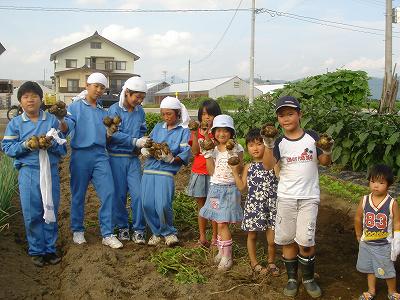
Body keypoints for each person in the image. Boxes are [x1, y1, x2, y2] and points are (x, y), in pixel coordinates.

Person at [261, 96, 333, 298]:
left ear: (299, 115)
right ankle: (292, 279)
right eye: (281, 115)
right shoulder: (278, 142)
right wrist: (268, 143)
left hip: (309, 197)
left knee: (306, 242)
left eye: (290, 114)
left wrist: (326, 149)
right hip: (285, 197)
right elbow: (267, 165)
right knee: (286, 241)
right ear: (277, 119)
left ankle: (308, 279)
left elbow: (325, 162)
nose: (286, 119)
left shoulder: (312, 137)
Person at [2, 81, 67, 267]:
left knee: (50, 209)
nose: (30, 100)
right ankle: (36, 250)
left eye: (34, 96)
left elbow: (63, 148)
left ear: (41, 99)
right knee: (32, 212)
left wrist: (51, 143)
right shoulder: (16, 123)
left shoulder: (51, 121)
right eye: (25, 97)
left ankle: (50, 249)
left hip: (49, 172)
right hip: (28, 172)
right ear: (20, 102)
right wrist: (26, 145)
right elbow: (6, 147)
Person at [58, 72, 123, 249]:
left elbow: (106, 137)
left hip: (101, 155)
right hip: (81, 155)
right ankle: (78, 230)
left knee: (109, 192)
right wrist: (61, 118)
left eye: (102, 87)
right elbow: (66, 128)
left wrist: (109, 133)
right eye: (96, 86)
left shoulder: (104, 112)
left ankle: (107, 233)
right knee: (78, 194)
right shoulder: (75, 107)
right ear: (87, 85)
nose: (99, 90)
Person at [140, 96, 191, 246]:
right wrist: (145, 149)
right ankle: (156, 232)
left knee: (163, 204)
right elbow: (150, 142)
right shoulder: (157, 127)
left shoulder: (183, 131)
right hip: (149, 170)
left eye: (169, 114)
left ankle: (168, 232)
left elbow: (184, 153)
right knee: (147, 204)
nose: (166, 117)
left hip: (166, 172)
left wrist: (170, 159)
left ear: (178, 114)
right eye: (163, 114)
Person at [231, 128, 280, 277]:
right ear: (247, 148)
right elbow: (242, 187)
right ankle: (254, 263)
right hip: (254, 206)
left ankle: (271, 261)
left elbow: (280, 177)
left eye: (259, 144)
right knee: (252, 235)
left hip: (272, 205)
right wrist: (234, 171)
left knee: (272, 239)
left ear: (266, 144)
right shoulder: (248, 167)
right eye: (251, 145)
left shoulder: (273, 164)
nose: (255, 148)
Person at [199, 114, 244, 272]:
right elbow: (211, 171)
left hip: (230, 189)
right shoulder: (213, 149)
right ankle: (220, 250)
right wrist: (207, 155)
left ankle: (227, 257)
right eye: (218, 130)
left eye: (226, 130)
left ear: (231, 132)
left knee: (223, 223)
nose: (222, 134)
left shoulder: (237, 148)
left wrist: (233, 156)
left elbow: (239, 169)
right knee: (219, 220)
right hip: (215, 189)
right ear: (214, 132)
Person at [106, 76, 148, 244]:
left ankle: (139, 228)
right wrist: (134, 141)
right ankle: (123, 226)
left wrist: (142, 144)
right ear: (127, 93)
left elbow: (142, 129)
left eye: (142, 98)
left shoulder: (140, 112)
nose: (139, 101)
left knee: (139, 194)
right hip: (116, 158)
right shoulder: (114, 110)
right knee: (119, 195)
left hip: (133, 158)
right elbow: (113, 133)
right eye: (137, 97)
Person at [354, 164, 400, 300]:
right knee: (370, 269)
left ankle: (392, 292)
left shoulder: (392, 203)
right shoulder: (364, 200)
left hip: (383, 245)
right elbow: (357, 217)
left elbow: (397, 222)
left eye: (381, 182)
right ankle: (371, 291)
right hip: (366, 244)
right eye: (373, 181)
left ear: (389, 184)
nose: (375, 185)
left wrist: (397, 239)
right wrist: (358, 234)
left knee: (388, 270)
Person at [187, 99, 221, 248]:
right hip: (199, 172)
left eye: (211, 114)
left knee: (214, 205)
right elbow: (195, 152)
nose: (207, 117)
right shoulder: (196, 131)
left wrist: (207, 134)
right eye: (205, 114)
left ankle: (215, 237)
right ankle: (202, 236)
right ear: (200, 115)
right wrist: (195, 134)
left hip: (214, 173)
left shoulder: (219, 132)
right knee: (201, 206)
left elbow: (212, 149)